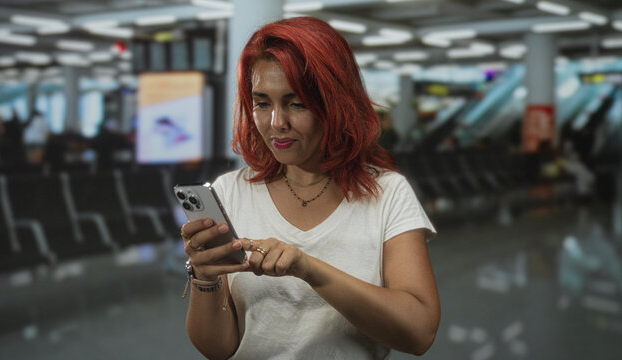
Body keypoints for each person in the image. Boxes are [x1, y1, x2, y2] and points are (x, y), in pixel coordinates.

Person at [181, 17, 440, 360]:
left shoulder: (387, 193)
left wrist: (309, 269)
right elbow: (218, 348)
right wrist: (204, 276)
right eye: (262, 103)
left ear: (336, 104)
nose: (277, 123)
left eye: (296, 103)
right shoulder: (230, 193)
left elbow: (418, 333)